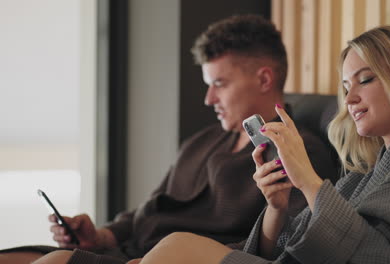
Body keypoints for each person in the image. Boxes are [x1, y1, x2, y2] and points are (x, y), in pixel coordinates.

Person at [0, 15, 338, 264]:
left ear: (264, 78)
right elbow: (152, 206)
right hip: (125, 252)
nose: (208, 99)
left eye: (219, 83)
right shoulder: (203, 141)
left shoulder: (300, 154)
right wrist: (101, 236)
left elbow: (283, 244)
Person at [126, 25, 390, 264]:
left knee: (177, 248)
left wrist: (308, 181)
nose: (350, 98)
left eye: (365, 80)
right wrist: (277, 206)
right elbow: (283, 247)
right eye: (345, 86)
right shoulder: (363, 173)